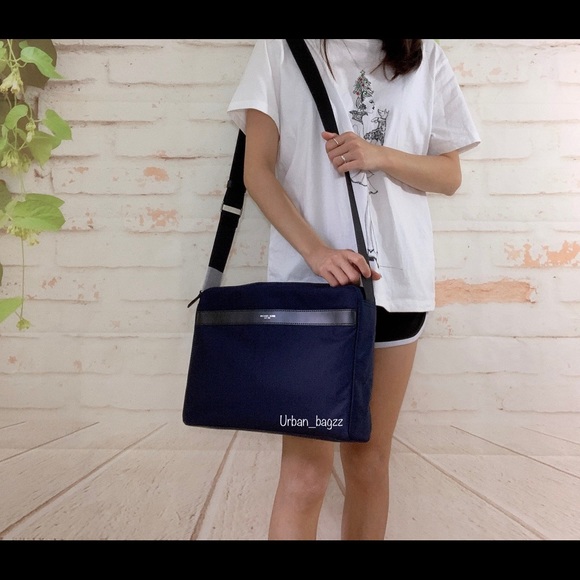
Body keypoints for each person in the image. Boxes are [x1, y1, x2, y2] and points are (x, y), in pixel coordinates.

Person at [227, 39, 480, 540]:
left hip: (396, 286)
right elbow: (256, 171)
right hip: (312, 290)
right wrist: (316, 252)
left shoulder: (423, 55)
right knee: (304, 473)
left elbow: (449, 174)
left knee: (368, 461)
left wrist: (377, 154)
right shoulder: (281, 50)